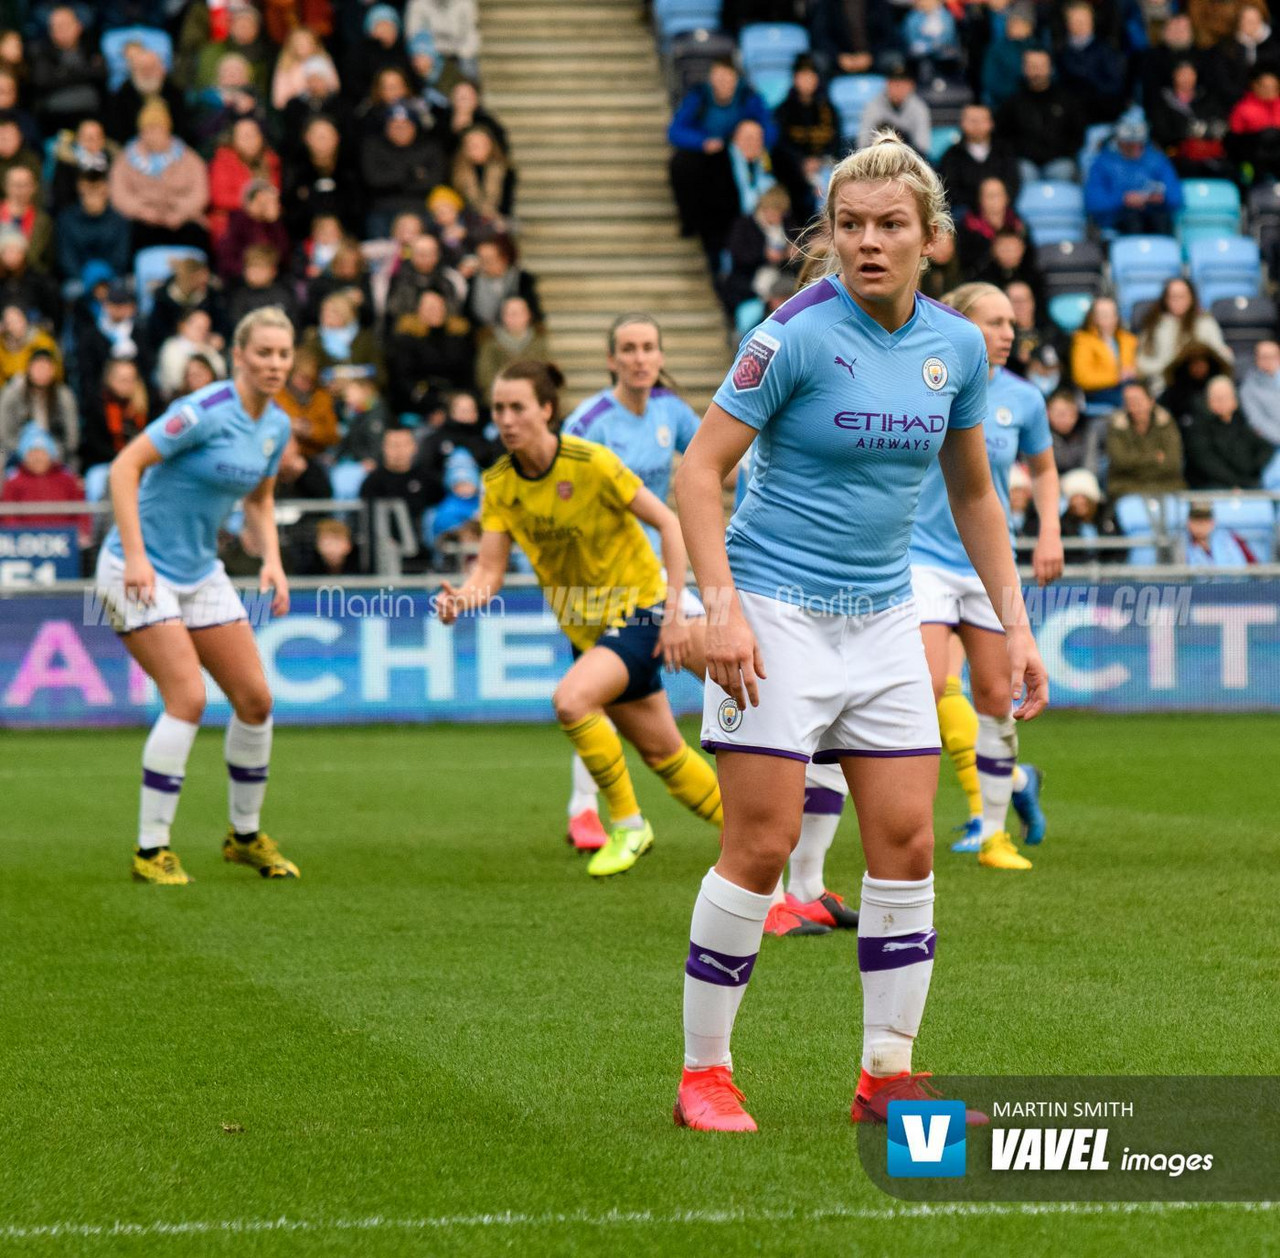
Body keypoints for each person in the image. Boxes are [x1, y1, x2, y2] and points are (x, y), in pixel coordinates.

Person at [669, 133, 1047, 1133]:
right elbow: (697, 471)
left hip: (884, 611)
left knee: (907, 842)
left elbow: (971, 489)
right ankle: (702, 1073)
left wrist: (1013, 625)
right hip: (775, 610)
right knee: (760, 844)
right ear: (828, 235)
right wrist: (720, 604)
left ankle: (884, 1073)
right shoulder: (787, 334)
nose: (865, 244)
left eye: (887, 227)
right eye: (848, 226)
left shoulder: (954, 347)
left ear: (931, 238)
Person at [563, 313, 855, 936]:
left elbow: (716, 463)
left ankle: (758, 857)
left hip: (663, 584)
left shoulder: (672, 412)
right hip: (606, 587)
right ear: (611, 359)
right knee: (614, 702)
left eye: (648, 347)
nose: (640, 358)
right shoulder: (587, 425)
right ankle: (601, 813)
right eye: (628, 349)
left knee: (713, 689)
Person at [438, 360, 726, 878]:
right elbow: (489, 569)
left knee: (571, 700)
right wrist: (463, 597)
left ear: (546, 410)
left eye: (517, 407)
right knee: (665, 754)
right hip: (587, 630)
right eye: (499, 408)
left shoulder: (590, 462)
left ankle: (628, 822)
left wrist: (675, 609)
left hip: (640, 610)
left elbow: (668, 520)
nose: (506, 419)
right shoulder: (500, 483)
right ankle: (760, 838)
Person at [93, 307, 299, 885]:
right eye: (264, 353)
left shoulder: (275, 426)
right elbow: (124, 467)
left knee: (256, 700)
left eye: (283, 354)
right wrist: (135, 555)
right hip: (136, 569)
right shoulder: (203, 412)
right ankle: (150, 849)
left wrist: (273, 561)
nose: (275, 364)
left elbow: (259, 499)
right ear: (238, 356)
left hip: (199, 572)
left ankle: (245, 836)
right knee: (187, 697)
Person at [909, 283, 1060, 865]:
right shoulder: (922, 379)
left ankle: (993, 831)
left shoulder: (1024, 399)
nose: (1007, 333)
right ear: (959, 322)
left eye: (1009, 323)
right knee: (923, 689)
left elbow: (1045, 471)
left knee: (997, 695)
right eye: (993, 322)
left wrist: (1049, 529)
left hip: (985, 566)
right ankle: (908, 824)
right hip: (920, 559)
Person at [996, 46, 1086, 185]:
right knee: (1021, 171)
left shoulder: (1067, 100)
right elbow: (1003, 136)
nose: (1037, 71)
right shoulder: (1012, 102)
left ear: (1050, 68)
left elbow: (1077, 133)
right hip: (1025, 162)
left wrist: (1064, 152)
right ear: (1024, 68)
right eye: (1032, 66)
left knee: (1064, 170)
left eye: (1041, 66)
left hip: (1059, 160)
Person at [1084, 117, 1184, 237]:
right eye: (1129, 144)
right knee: (1133, 219)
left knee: (1160, 220)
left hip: (1155, 217)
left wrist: (1160, 198)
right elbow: (1093, 202)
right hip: (1118, 220)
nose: (1136, 148)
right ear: (1119, 142)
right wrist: (1123, 199)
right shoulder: (1103, 163)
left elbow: (1176, 197)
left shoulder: (1157, 160)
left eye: (1139, 144)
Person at [1134, 278, 1233, 390]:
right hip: (1164, 386)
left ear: (1191, 298)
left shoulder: (1205, 323)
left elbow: (1222, 355)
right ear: (1165, 299)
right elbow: (1141, 363)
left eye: (1182, 296)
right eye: (1173, 296)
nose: (1177, 301)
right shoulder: (1154, 325)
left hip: (1200, 385)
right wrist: (1170, 366)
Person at [1184, 374, 1275, 488]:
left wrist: (1252, 469)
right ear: (1208, 401)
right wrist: (1236, 483)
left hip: (1247, 482)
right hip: (1211, 485)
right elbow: (1207, 462)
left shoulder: (1243, 420)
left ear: (1234, 400)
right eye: (1217, 398)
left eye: (1226, 397)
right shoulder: (1198, 425)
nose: (1222, 402)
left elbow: (1265, 447)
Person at [0, 424, 85, 538]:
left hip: (63, 541)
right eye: (32, 453)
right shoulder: (13, 481)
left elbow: (81, 511)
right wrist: (16, 536)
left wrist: (80, 534)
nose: (37, 458)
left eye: (42, 452)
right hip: (25, 541)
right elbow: (8, 516)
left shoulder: (67, 479)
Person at [1105, 380, 1186, 499]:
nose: (1133, 406)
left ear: (1151, 401)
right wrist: (1155, 457)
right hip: (1126, 486)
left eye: (1137, 400)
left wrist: (1135, 460)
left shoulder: (1166, 422)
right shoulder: (1117, 425)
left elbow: (1173, 463)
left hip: (1165, 484)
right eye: (1128, 401)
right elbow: (1120, 462)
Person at [937, 104, 1022, 218]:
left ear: (991, 123)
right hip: (966, 213)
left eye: (982, 120)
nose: (977, 125)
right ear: (962, 123)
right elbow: (949, 191)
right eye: (972, 120)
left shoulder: (1004, 151)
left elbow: (1013, 183)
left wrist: (997, 202)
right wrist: (980, 203)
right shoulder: (951, 155)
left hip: (1001, 208)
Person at [0, 348, 78, 463]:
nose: (42, 371)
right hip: (18, 453)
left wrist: (51, 453)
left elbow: (72, 437)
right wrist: (26, 453)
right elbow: (4, 432)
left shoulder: (63, 395)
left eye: (46, 367)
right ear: (28, 368)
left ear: (53, 370)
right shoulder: (13, 392)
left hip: (56, 455)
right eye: (38, 367)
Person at [1071, 296, 1137, 414]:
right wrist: (1116, 377)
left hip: (1126, 387)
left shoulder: (1127, 339)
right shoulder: (1082, 340)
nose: (1107, 318)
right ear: (1093, 317)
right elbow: (1082, 377)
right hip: (1098, 391)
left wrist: (1132, 372)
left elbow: (1134, 367)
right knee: (1130, 401)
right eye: (1102, 313)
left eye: (1110, 313)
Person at [856, 57, 931, 153]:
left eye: (903, 83)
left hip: (908, 159)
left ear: (911, 85)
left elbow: (923, 147)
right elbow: (862, 145)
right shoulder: (873, 105)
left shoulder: (919, 108)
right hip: (878, 157)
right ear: (887, 84)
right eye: (894, 83)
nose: (898, 88)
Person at [1046, 388, 1101, 476]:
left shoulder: (1085, 431)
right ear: (1047, 413)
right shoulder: (1038, 433)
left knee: (1083, 481)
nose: (1065, 419)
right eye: (1060, 414)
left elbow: (1090, 469)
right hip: (1045, 478)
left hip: (1077, 478)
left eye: (1070, 414)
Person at [1183, 500, 1254, 566]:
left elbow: (1254, 566)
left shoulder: (1231, 539)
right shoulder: (1181, 547)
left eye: (1205, 520)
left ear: (1213, 522)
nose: (1200, 526)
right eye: (1196, 520)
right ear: (1188, 523)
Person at [1239, 338, 1280, 445]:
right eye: (1264, 357)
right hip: (1270, 445)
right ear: (1256, 359)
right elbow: (1257, 422)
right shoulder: (1248, 388)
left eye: (1273, 356)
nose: (1269, 361)